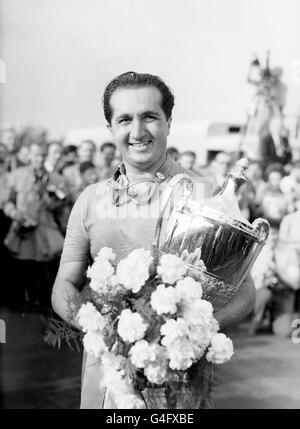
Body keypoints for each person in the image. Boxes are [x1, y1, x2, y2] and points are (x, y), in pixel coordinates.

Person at [52, 71, 255, 409]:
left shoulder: (208, 196)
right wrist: (102, 328)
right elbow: (64, 286)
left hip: (179, 378)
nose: (137, 132)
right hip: (105, 374)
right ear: (110, 129)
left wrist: (191, 329)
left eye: (150, 117)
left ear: (169, 121)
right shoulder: (90, 199)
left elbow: (245, 292)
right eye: (124, 119)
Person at [4, 142, 67, 309]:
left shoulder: (56, 178)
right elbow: (7, 202)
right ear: (29, 156)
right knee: (22, 272)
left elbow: (59, 208)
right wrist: (16, 215)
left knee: (46, 275)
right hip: (23, 231)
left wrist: (55, 200)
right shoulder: (17, 175)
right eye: (36, 155)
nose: (39, 159)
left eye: (42, 155)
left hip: (46, 233)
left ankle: (45, 309)